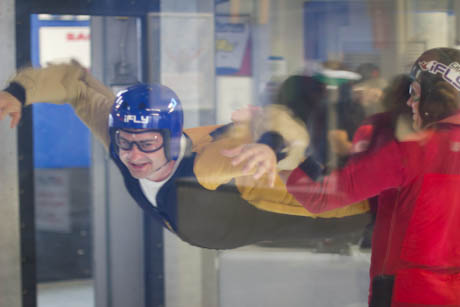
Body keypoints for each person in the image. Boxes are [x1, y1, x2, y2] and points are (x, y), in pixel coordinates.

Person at [0, 61, 369, 250]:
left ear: (171, 138)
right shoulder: (120, 135)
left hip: (265, 210)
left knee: (345, 208)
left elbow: (285, 130)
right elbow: (73, 82)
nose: (133, 155)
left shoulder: (207, 167)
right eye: (124, 141)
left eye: (146, 144)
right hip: (204, 221)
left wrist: (269, 145)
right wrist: (18, 91)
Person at [230, 47, 460, 306]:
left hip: (410, 292)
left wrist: (281, 160)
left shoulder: (412, 151)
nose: (409, 103)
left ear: (435, 99)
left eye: (415, 93)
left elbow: (322, 196)